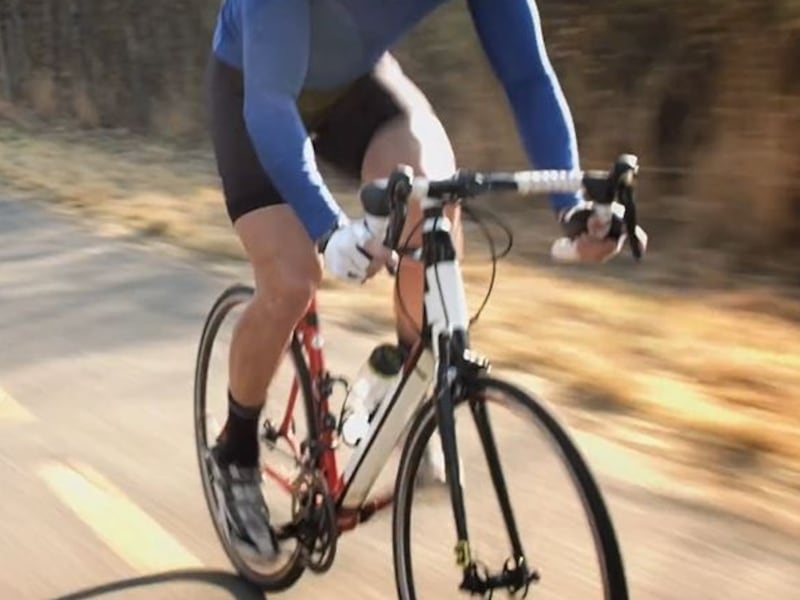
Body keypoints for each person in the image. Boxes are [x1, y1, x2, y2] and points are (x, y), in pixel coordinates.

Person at [204, 0, 647, 561]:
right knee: (293, 281)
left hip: (352, 84)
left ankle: (404, 383)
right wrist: (327, 229)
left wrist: (573, 207)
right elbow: (269, 107)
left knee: (432, 192)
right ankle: (235, 452)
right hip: (255, 85)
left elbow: (529, 77)